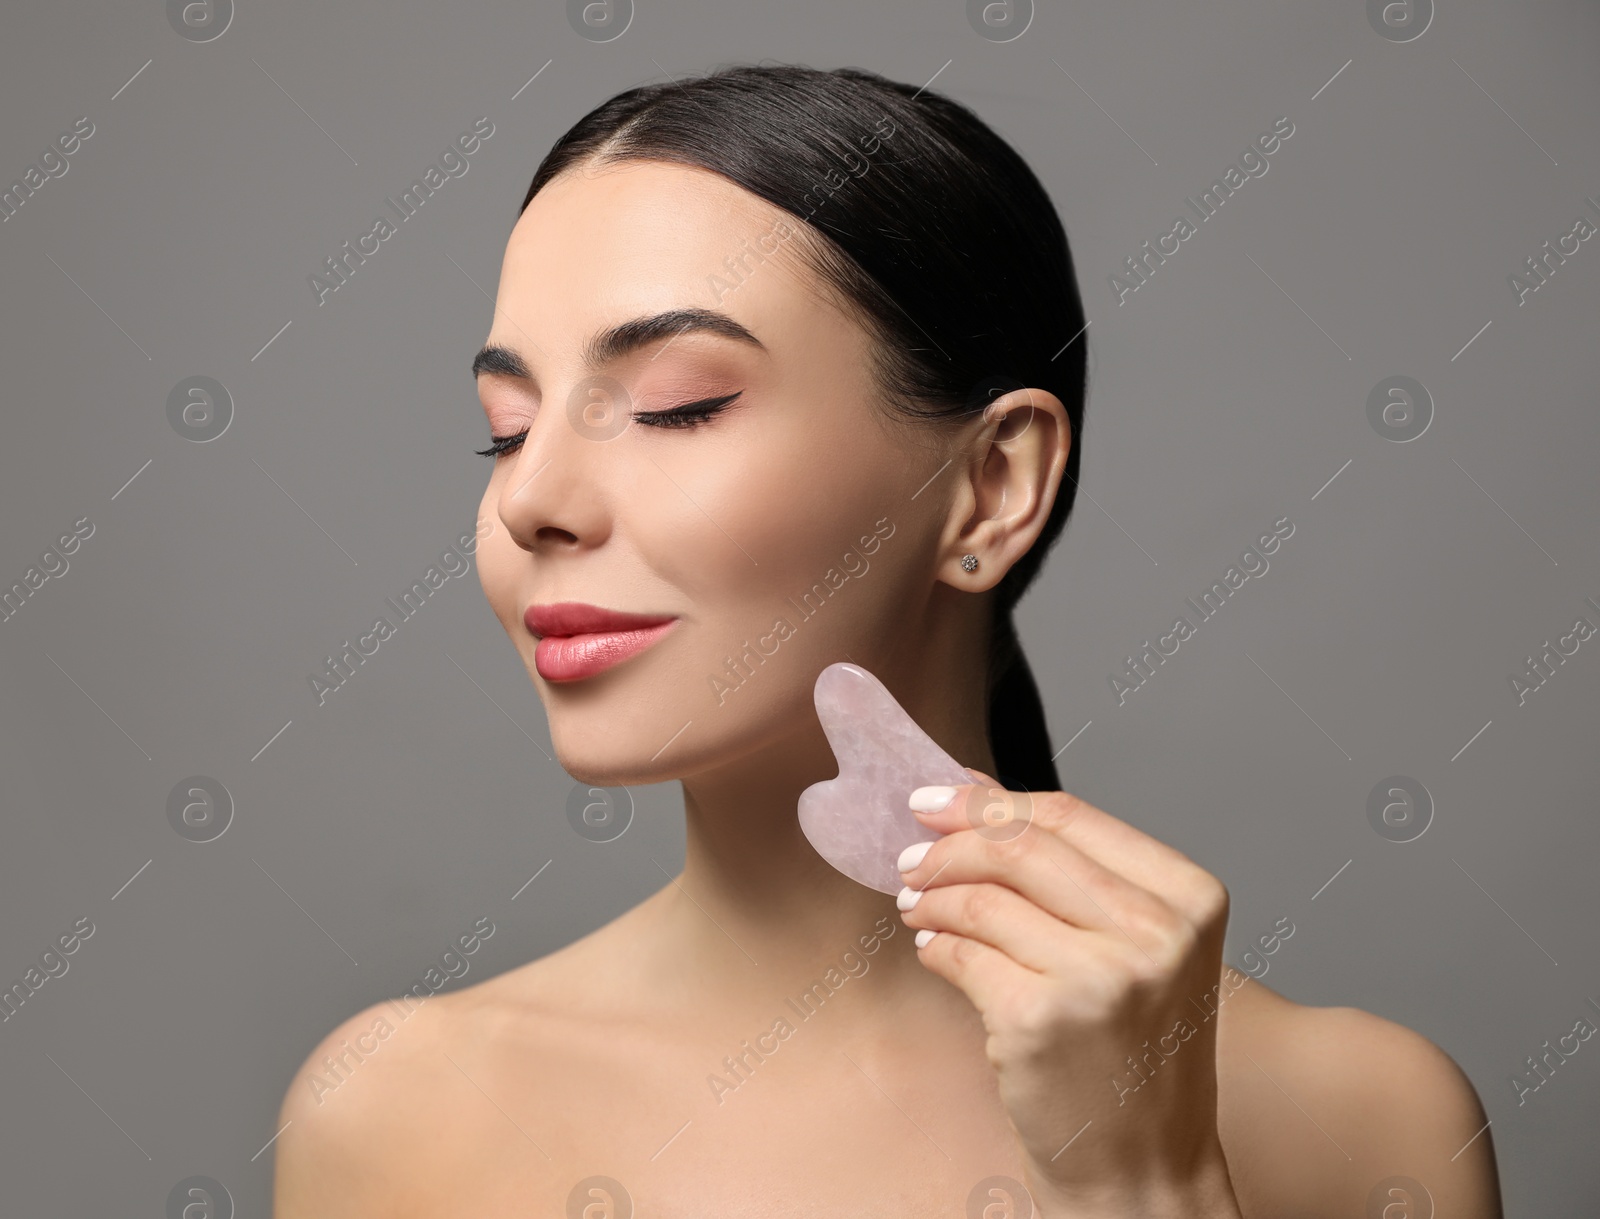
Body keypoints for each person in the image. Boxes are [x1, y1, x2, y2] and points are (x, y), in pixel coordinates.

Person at [272, 64, 1501, 1217]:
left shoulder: (1370, 1121)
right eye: (506, 427)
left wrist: (1142, 1181)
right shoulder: (399, 1115)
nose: (530, 499)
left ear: (990, 487)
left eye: (673, 407)